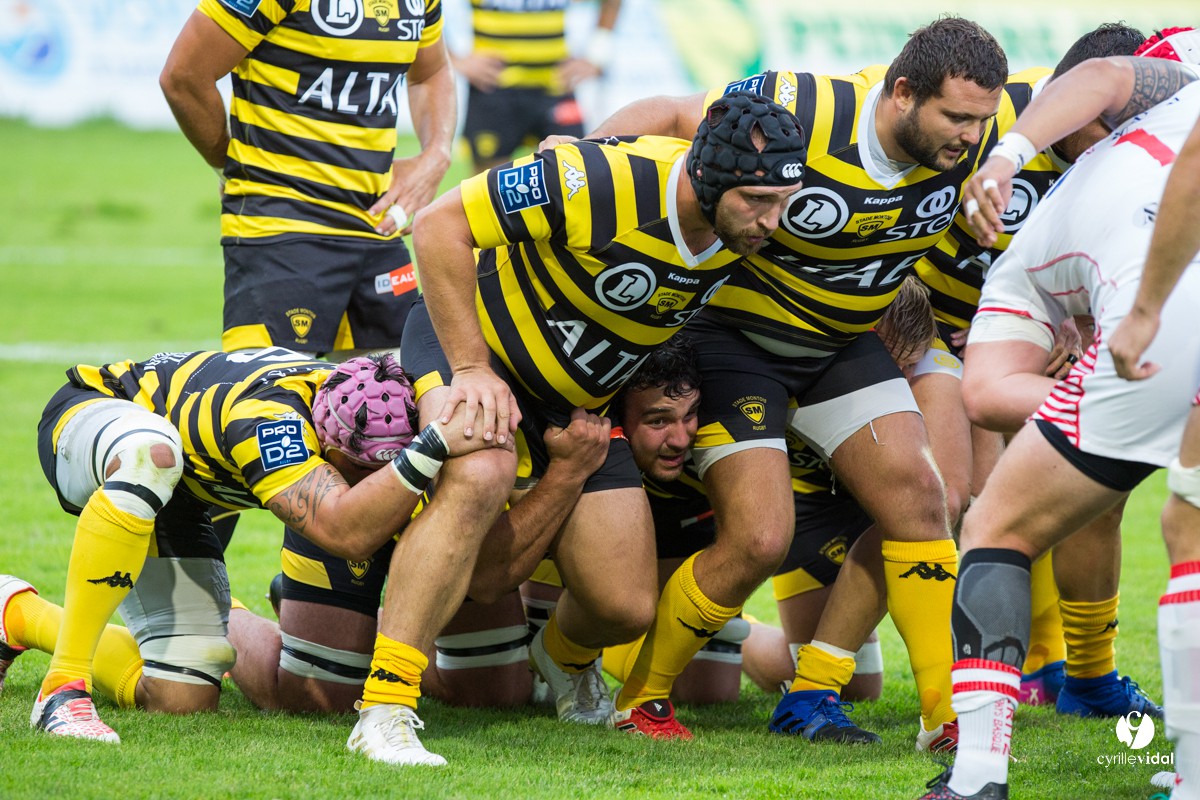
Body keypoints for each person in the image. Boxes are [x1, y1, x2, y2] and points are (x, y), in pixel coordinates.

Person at [570, 16, 1008, 745]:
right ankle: (640, 699)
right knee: (758, 538)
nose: (970, 136)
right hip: (734, 341)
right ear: (903, 92)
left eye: (981, 121)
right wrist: (580, 160)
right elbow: (674, 115)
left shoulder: (988, 136)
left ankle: (932, 717)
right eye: (955, 117)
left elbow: (1092, 85)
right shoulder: (806, 107)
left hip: (840, 343)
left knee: (921, 498)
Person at [341, 91, 807, 764]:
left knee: (625, 606)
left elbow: (689, 111)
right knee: (482, 471)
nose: (771, 221)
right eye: (757, 202)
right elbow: (440, 225)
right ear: (706, 178)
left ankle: (560, 658)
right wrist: (471, 368)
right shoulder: (599, 182)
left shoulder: (754, 221)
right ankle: (385, 706)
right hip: (479, 353)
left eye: (783, 202)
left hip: (580, 399)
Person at [915, 53, 1200, 800]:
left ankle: (978, 775)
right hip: (1158, 334)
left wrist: (1006, 156)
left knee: (998, 527)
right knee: (1189, 533)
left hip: (1164, 322)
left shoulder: (1045, 228)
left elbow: (984, 392)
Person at [0, 351, 494, 742]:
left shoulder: (374, 400)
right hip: (96, 413)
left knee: (181, 698)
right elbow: (347, 533)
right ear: (326, 444)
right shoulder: (272, 421)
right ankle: (63, 688)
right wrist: (432, 447)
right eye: (362, 470)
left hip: (182, 498)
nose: (374, 483)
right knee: (151, 456)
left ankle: (16, 615)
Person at [160, 0, 455, 358]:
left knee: (399, 388)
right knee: (276, 391)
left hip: (376, 227)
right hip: (282, 225)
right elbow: (183, 76)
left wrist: (436, 154)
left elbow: (430, 72)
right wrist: (229, 165)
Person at [455, 0, 623, 173]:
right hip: (493, 89)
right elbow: (435, 9)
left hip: (556, 86)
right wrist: (455, 61)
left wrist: (597, 54)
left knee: (576, 172)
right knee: (490, 182)